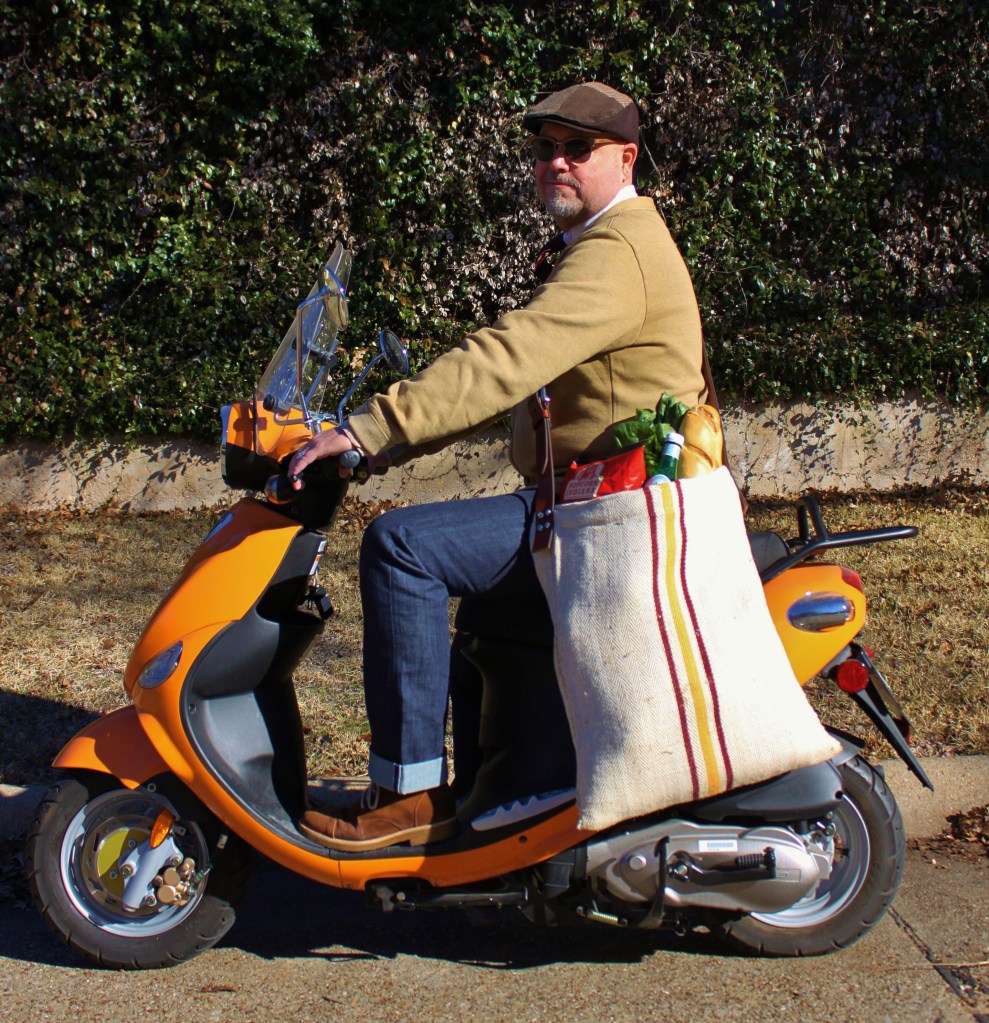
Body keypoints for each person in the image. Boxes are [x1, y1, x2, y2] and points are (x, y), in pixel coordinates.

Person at [288, 81, 707, 851]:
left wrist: (370, 427)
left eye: (575, 149)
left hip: (612, 515)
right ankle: (490, 795)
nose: (555, 162)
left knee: (403, 548)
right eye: (544, 148)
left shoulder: (619, 253)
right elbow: (507, 381)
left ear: (625, 157)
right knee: (474, 601)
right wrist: (380, 443)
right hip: (587, 502)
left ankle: (413, 796)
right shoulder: (600, 244)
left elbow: (505, 358)